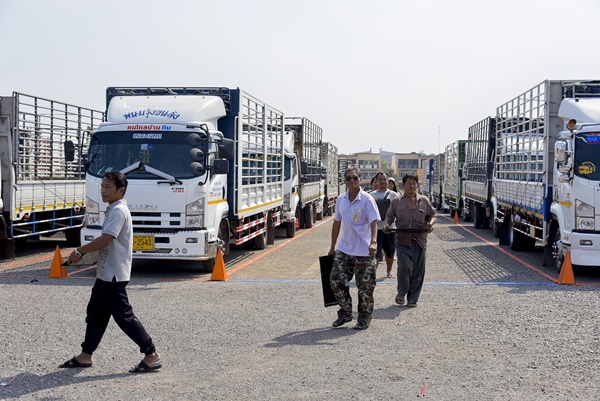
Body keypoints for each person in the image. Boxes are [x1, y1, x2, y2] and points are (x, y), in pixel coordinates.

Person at [59, 171, 162, 373]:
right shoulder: (113, 209)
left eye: (108, 187)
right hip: (105, 274)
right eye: (102, 186)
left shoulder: (118, 211)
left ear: (121, 190)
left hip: (114, 275)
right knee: (95, 314)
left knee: (124, 317)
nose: (103, 190)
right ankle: (86, 355)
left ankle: (151, 354)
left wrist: (79, 251)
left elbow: (106, 239)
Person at [328, 166, 380, 330]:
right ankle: (346, 312)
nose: (352, 181)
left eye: (355, 178)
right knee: (335, 280)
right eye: (349, 178)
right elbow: (337, 223)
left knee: (365, 288)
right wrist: (332, 246)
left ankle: (364, 319)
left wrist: (373, 242)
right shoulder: (341, 199)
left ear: (360, 180)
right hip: (345, 249)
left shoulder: (367, 199)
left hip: (364, 251)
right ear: (344, 181)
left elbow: (374, 222)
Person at [383, 173, 436, 308]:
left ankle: (413, 299)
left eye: (414, 183)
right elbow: (389, 217)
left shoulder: (424, 200)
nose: (411, 186)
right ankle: (401, 293)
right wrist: (387, 225)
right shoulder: (396, 202)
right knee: (404, 267)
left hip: (420, 241)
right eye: (408, 184)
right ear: (403, 185)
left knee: (418, 271)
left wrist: (430, 224)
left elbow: (433, 215)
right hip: (402, 241)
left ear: (417, 185)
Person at [369, 172, 399, 278]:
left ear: (387, 181)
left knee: (390, 253)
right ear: (376, 181)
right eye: (380, 179)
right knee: (375, 253)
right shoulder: (371, 196)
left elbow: (399, 211)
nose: (382, 181)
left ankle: (389, 271)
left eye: (384, 179)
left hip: (390, 229)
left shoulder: (394, 195)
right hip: (376, 229)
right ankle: (372, 273)